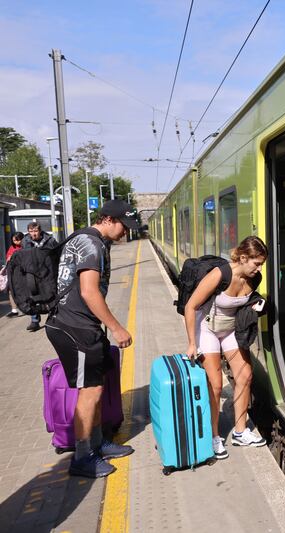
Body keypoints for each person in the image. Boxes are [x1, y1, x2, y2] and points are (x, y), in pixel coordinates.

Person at [44, 199, 139, 478]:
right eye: (124, 226)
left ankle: (98, 444)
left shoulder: (88, 239)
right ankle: (83, 457)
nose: (126, 232)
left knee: (96, 385)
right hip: (74, 327)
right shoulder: (92, 244)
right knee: (90, 390)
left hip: (80, 325)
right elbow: (89, 292)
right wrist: (117, 328)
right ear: (108, 219)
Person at [184, 236, 268, 460]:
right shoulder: (221, 274)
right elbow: (191, 306)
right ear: (242, 258)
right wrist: (192, 343)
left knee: (245, 375)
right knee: (216, 385)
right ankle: (213, 436)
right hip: (207, 327)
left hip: (230, 328)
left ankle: (240, 432)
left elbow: (243, 304)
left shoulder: (254, 278)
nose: (259, 269)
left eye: (261, 264)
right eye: (256, 263)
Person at [21, 222, 58, 331]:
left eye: (35, 231)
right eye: (31, 231)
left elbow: (57, 253)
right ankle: (35, 321)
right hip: (32, 273)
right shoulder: (25, 241)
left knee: (50, 293)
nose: (33, 234)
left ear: (40, 231)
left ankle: (53, 318)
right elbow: (22, 255)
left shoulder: (49, 240)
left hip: (48, 271)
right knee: (33, 296)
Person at [4, 232, 24, 317]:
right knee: (11, 290)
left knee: (23, 290)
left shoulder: (25, 247)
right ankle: (14, 310)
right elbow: (7, 258)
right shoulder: (12, 247)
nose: (15, 242)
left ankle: (25, 307)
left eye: (17, 240)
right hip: (12, 272)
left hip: (22, 273)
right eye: (13, 240)